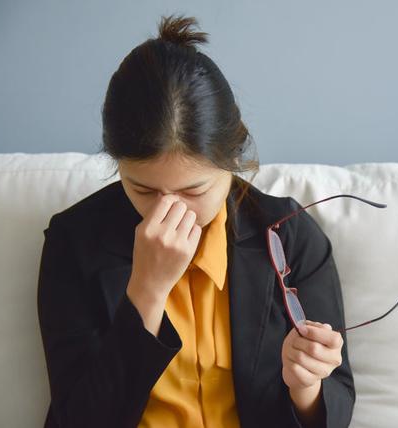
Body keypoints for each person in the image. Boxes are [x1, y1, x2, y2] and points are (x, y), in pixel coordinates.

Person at [37, 13, 355, 428]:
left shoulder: (290, 236)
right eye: (144, 190)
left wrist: (306, 387)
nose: (169, 213)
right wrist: (146, 292)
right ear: (117, 166)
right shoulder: (74, 242)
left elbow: (337, 409)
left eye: (194, 191)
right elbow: (79, 418)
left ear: (233, 161)